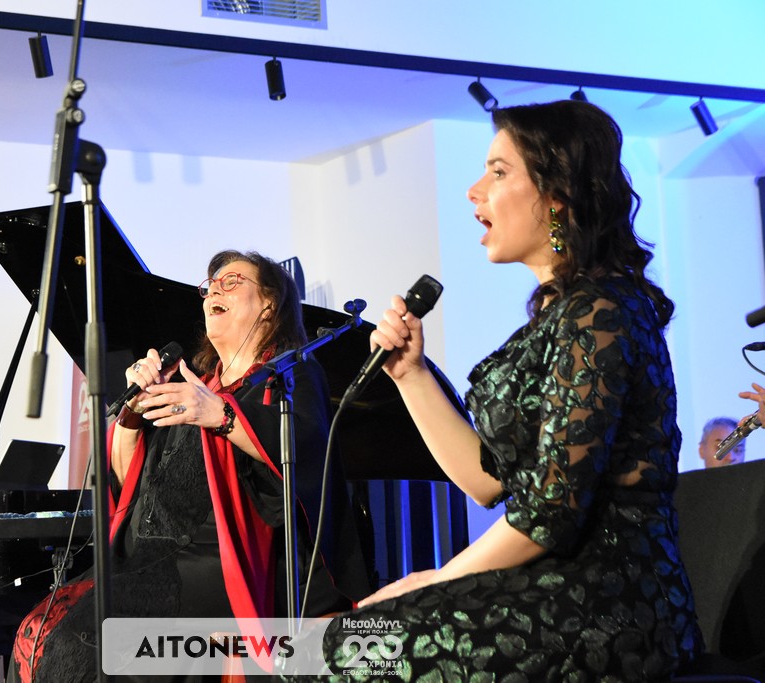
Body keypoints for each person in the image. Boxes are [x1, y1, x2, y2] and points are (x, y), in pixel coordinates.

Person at [292, 101, 704, 680]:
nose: (474, 190)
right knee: (324, 647)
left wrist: (437, 578)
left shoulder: (600, 314)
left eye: (499, 171)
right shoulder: (567, 315)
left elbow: (549, 513)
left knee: (344, 651)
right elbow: (487, 482)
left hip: (610, 603)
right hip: (557, 586)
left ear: (556, 196)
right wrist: (410, 375)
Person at [8, 250, 369, 682]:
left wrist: (220, 414)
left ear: (270, 305)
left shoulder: (291, 376)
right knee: (37, 628)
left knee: (86, 643)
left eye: (232, 282)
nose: (214, 290)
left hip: (215, 567)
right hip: (145, 557)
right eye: (210, 286)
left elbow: (301, 454)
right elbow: (127, 481)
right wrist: (133, 413)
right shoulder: (196, 390)